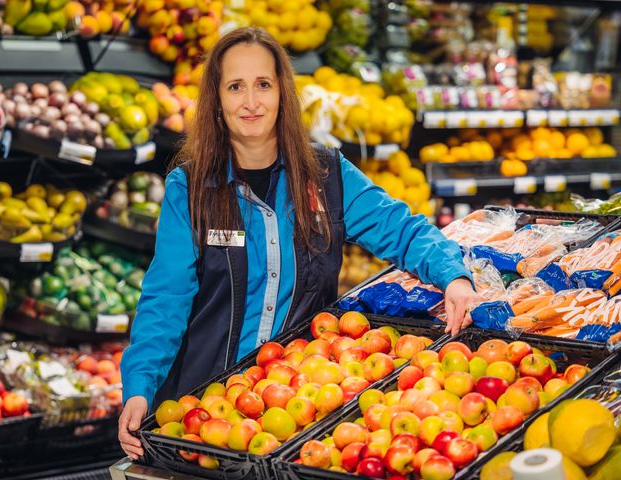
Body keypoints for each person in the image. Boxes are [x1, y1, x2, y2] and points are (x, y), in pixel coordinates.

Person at [118, 27, 479, 459]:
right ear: (216, 101)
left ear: (282, 94)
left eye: (263, 85)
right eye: (235, 87)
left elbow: (400, 228)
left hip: (297, 416)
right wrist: (139, 389)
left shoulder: (327, 176)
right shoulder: (190, 188)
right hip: (204, 412)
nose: (250, 102)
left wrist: (453, 276)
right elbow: (165, 299)